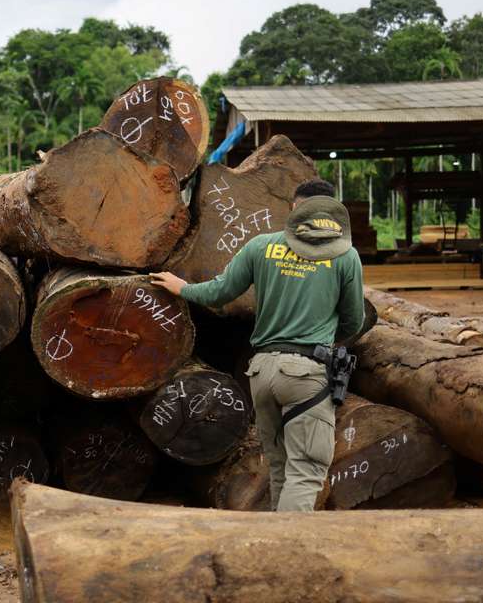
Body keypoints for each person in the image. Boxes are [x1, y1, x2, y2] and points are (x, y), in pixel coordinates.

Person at [151, 179, 364, 512]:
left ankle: (274, 544)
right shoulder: (345, 256)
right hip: (306, 376)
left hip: (261, 372)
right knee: (305, 472)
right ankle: (288, 549)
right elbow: (354, 321)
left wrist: (182, 288)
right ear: (330, 214)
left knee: (279, 468)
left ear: (295, 209)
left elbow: (218, 293)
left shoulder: (261, 246)